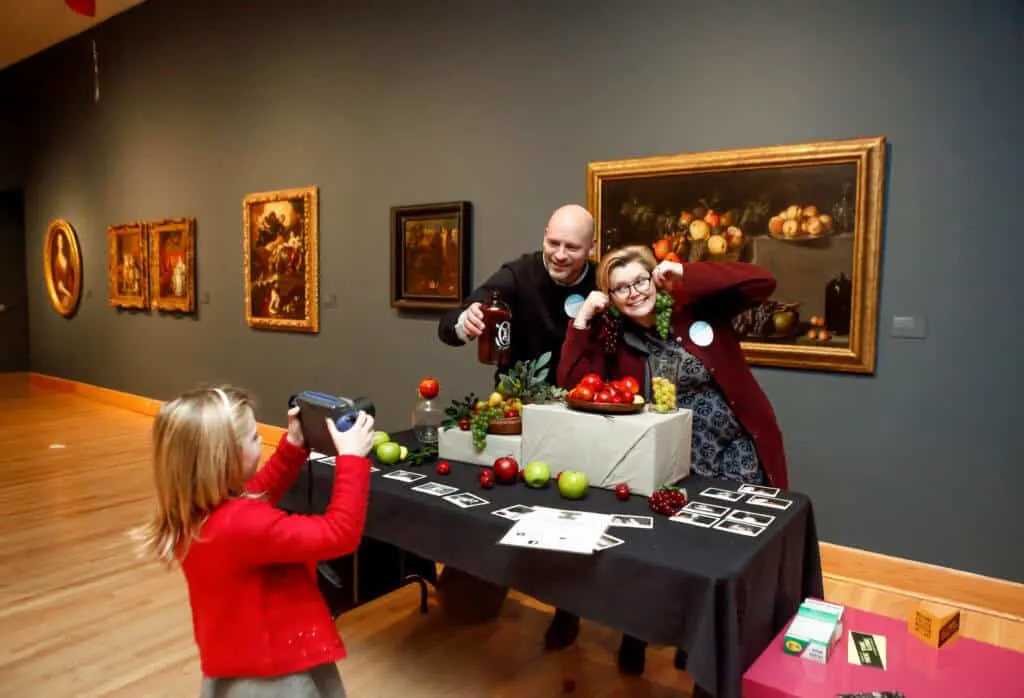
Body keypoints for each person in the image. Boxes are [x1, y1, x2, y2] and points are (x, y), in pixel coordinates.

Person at [553, 244, 789, 674]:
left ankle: (706, 643)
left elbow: (761, 282)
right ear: (610, 295)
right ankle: (636, 632)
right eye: (620, 287)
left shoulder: (694, 306)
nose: (633, 292)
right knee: (665, 549)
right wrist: (581, 320)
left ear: (654, 279)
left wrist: (685, 272)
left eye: (640, 280)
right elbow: (569, 382)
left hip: (737, 445)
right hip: (671, 454)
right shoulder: (612, 335)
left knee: (728, 545)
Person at [134, 385, 376, 698]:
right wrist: (353, 459)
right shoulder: (242, 525)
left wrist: (293, 446)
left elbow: (257, 493)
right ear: (223, 459)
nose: (261, 438)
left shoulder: (195, 510)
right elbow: (339, 534)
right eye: (252, 437)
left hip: (237, 658)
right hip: (276, 675)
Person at [437, 203, 598, 382]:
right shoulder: (519, 273)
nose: (560, 255)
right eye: (553, 243)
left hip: (583, 397)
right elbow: (448, 327)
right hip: (520, 399)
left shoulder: (602, 281)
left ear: (591, 248)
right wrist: (466, 321)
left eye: (571, 247)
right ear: (544, 236)